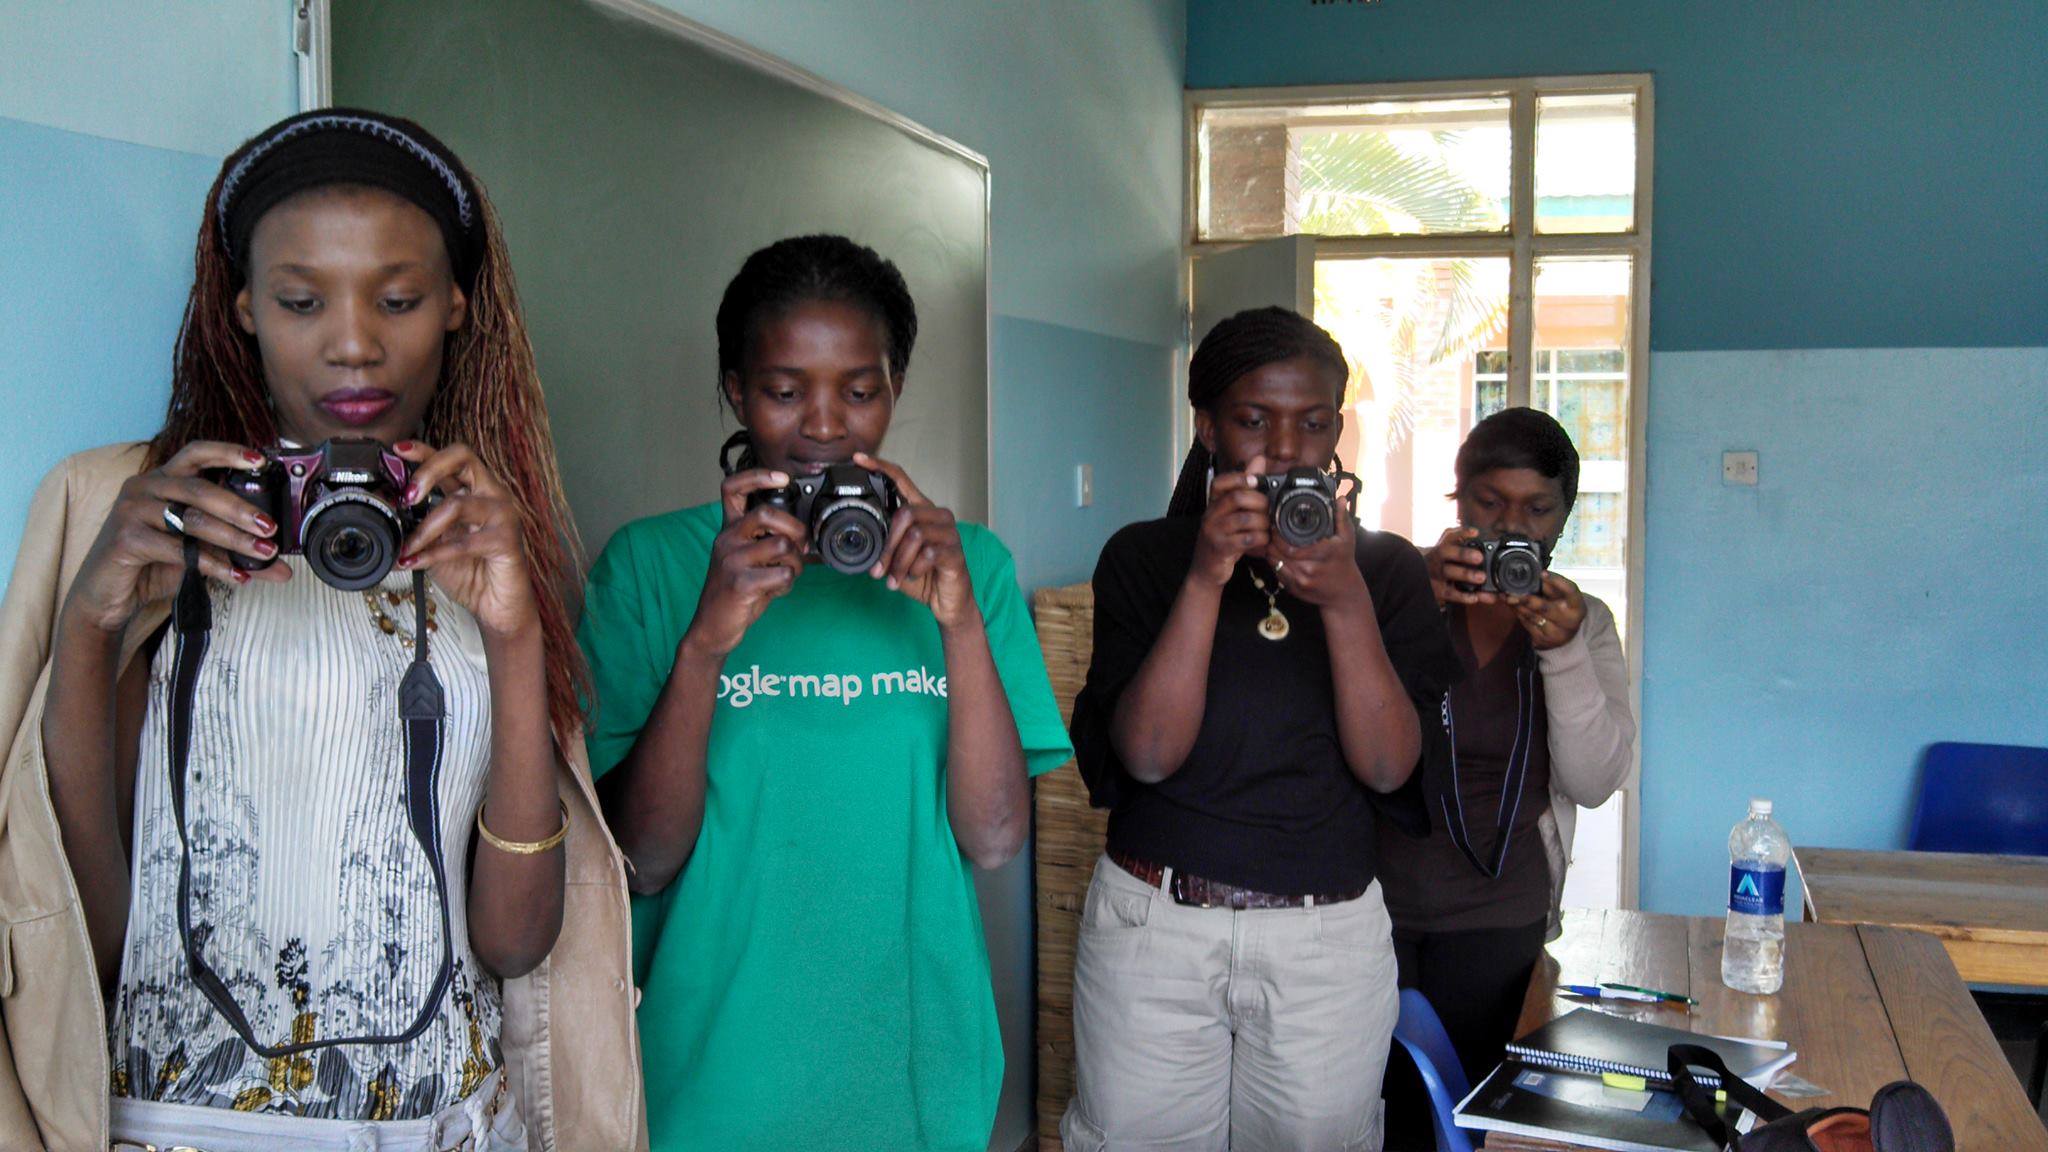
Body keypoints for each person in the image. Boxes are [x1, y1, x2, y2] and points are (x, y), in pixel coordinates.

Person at [0, 109, 642, 1151]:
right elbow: (92, 939)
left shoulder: (480, 532)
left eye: (398, 299)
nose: (353, 341)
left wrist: (517, 635)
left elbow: (516, 941)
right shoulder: (121, 505)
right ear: (244, 306)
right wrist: (93, 620)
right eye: (302, 300)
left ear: (456, 308)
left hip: (455, 1127)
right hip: (186, 1129)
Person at [577, 234, 1071, 1151]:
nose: (826, 425)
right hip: (709, 1081)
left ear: (893, 389)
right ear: (736, 391)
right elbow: (637, 860)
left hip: (916, 1076)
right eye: (784, 389)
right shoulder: (651, 565)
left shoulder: (973, 566)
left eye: (860, 388)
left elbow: (996, 837)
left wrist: (959, 623)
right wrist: (705, 645)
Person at [1063, 306, 1460, 1152]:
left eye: (1313, 423)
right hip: (1154, 932)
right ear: (1207, 428)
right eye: (1254, 421)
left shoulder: (1385, 572)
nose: (1286, 450)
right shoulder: (1143, 557)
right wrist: (1206, 577)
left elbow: (1391, 768)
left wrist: (1346, 600)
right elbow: (1148, 754)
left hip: (1326, 944)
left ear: (1336, 434)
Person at [1376, 406, 1637, 1143]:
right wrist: (1415, 605)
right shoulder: (1397, 592)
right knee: (1376, 1115)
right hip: (1369, 904)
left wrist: (1562, 653)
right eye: (1490, 503)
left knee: (1478, 1122)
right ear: (1457, 501)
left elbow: (1594, 779)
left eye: (1537, 508)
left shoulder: (1582, 623)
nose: (1511, 527)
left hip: (1500, 915)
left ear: (1564, 520)